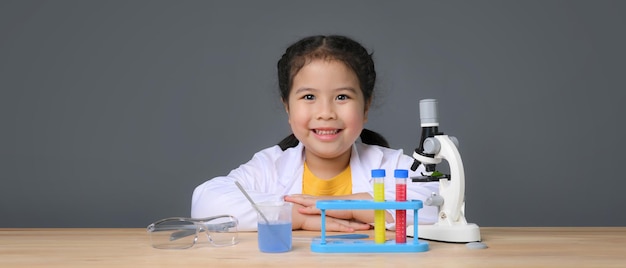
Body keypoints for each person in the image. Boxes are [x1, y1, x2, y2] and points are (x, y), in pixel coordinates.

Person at [191, 35, 438, 232]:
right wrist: (296, 217)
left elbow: (437, 201)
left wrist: (349, 207)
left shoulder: (392, 164)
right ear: (288, 107)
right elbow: (205, 202)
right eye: (309, 97)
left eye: (342, 97)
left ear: (366, 106)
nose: (325, 112)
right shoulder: (270, 168)